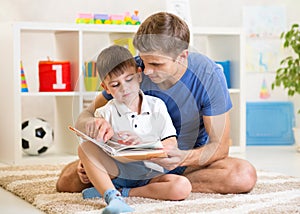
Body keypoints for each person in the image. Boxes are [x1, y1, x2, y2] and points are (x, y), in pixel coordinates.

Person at [56, 12, 257, 196]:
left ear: (182, 56)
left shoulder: (209, 75)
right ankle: (156, 186)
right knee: (67, 181)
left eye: (157, 64)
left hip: (187, 162)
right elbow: (86, 114)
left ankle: (145, 187)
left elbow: (220, 148)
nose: (147, 71)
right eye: (144, 61)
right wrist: (93, 126)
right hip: (132, 160)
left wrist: (182, 158)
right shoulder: (134, 70)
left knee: (243, 175)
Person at [76, 45, 192, 213]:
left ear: (139, 75)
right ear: (106, 88)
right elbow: (96, 147)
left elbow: (170, 143)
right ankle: (111, 197)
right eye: (115, 85)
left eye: (129, 79)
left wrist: (143, 145)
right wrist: (86, 162)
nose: (124, 88)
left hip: (151, 172)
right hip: (118, 172)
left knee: (182, 187)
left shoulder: (157, 106)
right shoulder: (104, 112)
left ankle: (124, 194)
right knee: (85, 148)